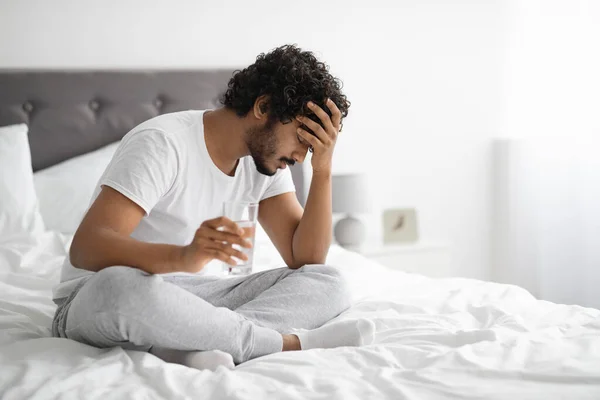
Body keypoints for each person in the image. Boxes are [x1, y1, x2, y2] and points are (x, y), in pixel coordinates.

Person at [51, 44, 373, 371]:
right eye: (302, 140)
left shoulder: (265, 164)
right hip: (99, 295)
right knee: (119, 288)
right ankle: (283, 345)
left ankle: (192, 342)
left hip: (198, 300)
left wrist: (323, 170)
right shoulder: (163, 143)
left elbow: (305, 259)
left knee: (328, 281)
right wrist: (183, 257)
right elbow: (86, 248)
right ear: (263, 106)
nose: (300, 157)